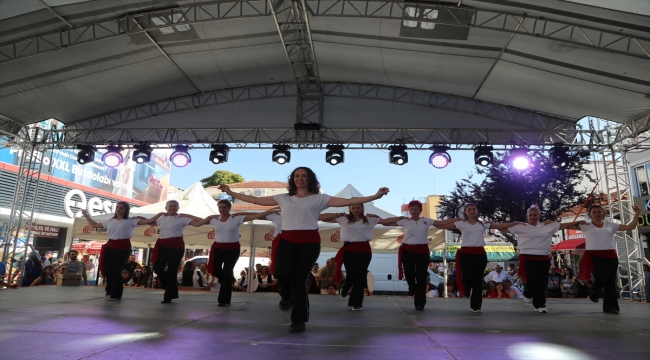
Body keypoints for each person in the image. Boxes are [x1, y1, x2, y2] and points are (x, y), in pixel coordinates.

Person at [218, 166, 390, 333]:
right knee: (282, 274)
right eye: (297, 176)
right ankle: (286, 296)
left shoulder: (320, 199)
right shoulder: (284, 198)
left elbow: (348, 202)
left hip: (309, 241)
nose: (300, 178)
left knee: (300, 280)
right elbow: (256, 201)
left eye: (304, 176)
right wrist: (231, 192)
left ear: (310, 179)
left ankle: (298, 320)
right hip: (287, 239)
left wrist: (376, 195)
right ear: (293, 180)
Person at [436, 203, 519, 313]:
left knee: (477, 281)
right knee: (468, 277)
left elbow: (499, 226)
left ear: (477, 211)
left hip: (480, 253)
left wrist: (515, 223)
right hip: (466, 253)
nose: (472, 211)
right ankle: (466, 289)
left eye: (473, 209)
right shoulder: (461, 223)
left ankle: (476, 306)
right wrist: (454, 219)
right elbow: (440, 225)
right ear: (465, 212)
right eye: (469, 209)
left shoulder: (482, 223)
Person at [381, 200, 461, 311]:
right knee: (408, 273)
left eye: (416, 209)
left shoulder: (426, 220)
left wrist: (456, 219)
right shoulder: (405, 221)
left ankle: (419, 303)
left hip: (422, 250)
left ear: (420, 210)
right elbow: (384, 223)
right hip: (408, 249)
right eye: (411, 209)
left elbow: (440, 223)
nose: (413, 211)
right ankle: (412, 288)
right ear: (409, 210)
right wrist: (399, 218)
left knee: (421, 276)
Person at [502, 205, 583, 313]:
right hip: (527, 256)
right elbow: (500, 228)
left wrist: (578, 222)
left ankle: (539, 305)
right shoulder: (521, 227)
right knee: (533, 278)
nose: (532, 217)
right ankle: (528, 293)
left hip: (543, 256)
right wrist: (513, 223)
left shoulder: (548, 226)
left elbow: (564, 225)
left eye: (535, 214)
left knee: (542, 281)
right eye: (530, 215)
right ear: (527, 216)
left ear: (539, 215)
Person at [194, 201, 275, 306]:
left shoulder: (236, 218)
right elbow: (197, 222)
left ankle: (223, 300)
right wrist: (206, 216)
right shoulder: (214, 219)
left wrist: (269, 211)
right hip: (218, 248)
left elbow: (255, 216)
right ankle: (227, 283)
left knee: (227, 271)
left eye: (224, 207)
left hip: (232, 249)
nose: (222, 209)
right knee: (215, 270)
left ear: (229, 208)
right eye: (220, 207)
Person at [320, 205, 401, 310]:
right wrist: (338, 214)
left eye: (358, 207)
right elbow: (322, 217)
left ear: (362, 208)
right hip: (349, 249)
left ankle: (356, 303)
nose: (355, 210)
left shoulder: (369, 219)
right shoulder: (344, 219)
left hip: (364, 249)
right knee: (352, 274)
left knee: (361, 277)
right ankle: (346, 286)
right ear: (350, 209)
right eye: (353, 208)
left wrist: (400, 218)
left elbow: (385, 221)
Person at [81, 204, 161, 300]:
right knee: (107, 270)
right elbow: (94, 225)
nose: (118, 209)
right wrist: (85, 214)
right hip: (110, 245)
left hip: (123, 246)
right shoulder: (110, 220)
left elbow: (149, 221)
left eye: (121, 208)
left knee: (116, 269)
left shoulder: (131, 220)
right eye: (117, 208)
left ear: (126, 210)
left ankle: (116, 294)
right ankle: (109, 289)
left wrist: (160, 213)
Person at [571, 205, 641, 314]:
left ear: (603, 213)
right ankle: (593, 293)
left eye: (599, 211)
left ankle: (611, 307)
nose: (597, 214)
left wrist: (637, 213)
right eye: (594, 212)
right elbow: (565, 226)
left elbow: (630, 227)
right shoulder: (586, 225)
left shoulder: (610, 225)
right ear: (590, 214)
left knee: (610, 283)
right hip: (594, 255)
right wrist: (552, 223)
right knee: (602, 278)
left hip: (610, 256)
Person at [151, 200, 203, 304]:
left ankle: (168, 296)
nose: (172, 208)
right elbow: (150, 222)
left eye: (175, 206)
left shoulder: (182, 218)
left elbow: (200, 222)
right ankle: (170, 287)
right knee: (157, 268)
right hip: (162, 244)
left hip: (176, 245)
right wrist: (159, 214)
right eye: (170, 206)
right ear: (166, 207)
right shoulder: (163, 218)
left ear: (178, 208)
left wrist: (187, 215)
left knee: (171, 270)